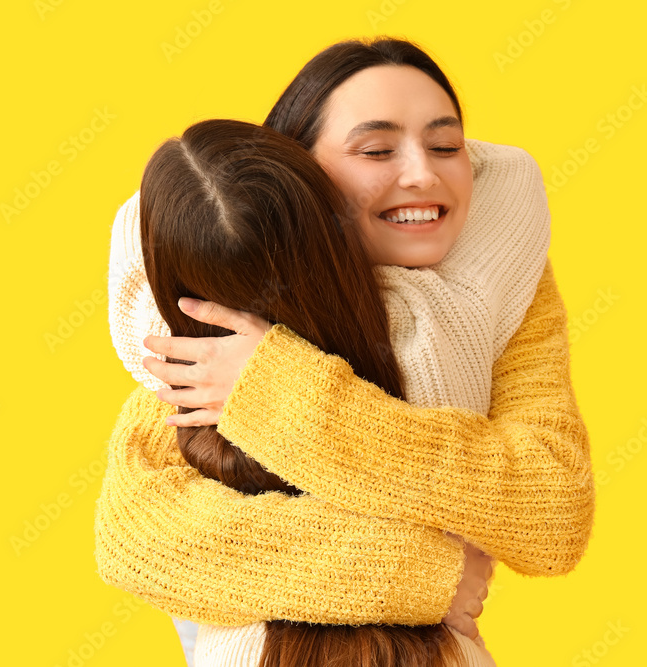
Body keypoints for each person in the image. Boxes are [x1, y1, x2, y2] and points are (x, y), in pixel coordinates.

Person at [96, 37, 594, 666]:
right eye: (376, 150)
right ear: (302, 173)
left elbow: (552, 508)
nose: (422, 173)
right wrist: (424, 573)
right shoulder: (226, 294)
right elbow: (145, 537)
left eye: (446, 146)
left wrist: (283, 394)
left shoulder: (505, 282)